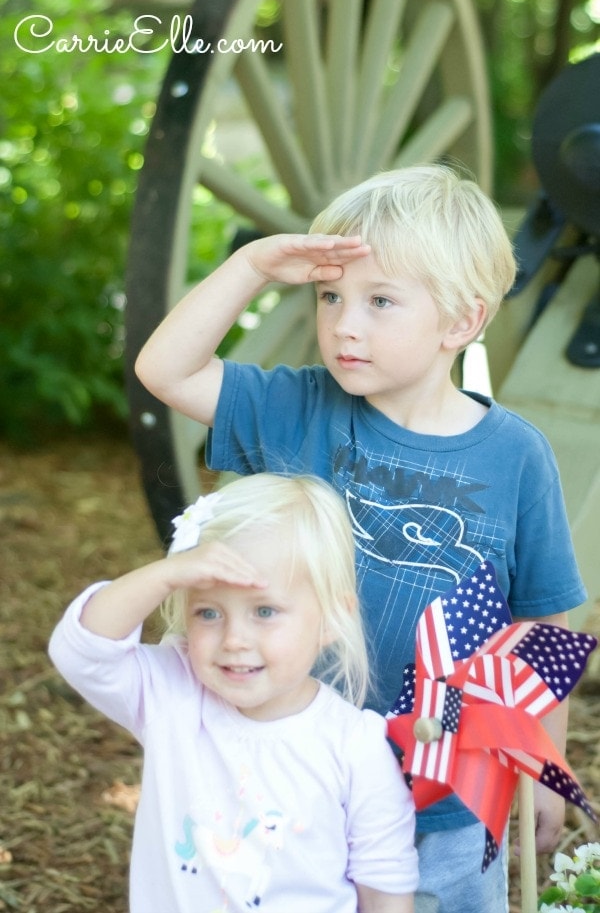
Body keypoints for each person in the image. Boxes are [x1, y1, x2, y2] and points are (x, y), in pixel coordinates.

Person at [134, 163, 587, 913]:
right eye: (330, 296)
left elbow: (539, 625)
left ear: (460, 321)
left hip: (443, 792)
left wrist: (543, 761)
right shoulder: (297, 407)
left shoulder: (515, 455)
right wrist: (251, 265)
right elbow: (164, 369)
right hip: (292, 776)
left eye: (380, 301)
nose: (345, 322)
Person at [49, 473, 418, 913]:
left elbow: (385, 890)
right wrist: (166, 574)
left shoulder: (356, 746)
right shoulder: (172, 693)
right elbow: (81, 651)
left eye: (264, 611)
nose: (234, 639)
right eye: (208, 612)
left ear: (332, 619)